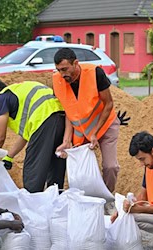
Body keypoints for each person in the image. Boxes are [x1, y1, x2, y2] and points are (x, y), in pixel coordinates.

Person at [53, 48, 120, 213]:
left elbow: (108, 104)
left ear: (76, 63)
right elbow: (68, 111)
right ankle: (84, 202)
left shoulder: (95, 73)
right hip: (81, 130)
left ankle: (106, 199)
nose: (62, 74)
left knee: (110, 166)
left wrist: (95, 134)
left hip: (105, 124)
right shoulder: (57, 81)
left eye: (65, 69)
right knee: (80, 170)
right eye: (58, 70)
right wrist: (66, 140)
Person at [0, 80, 66, 193]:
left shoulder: (2, 97)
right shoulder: (20, 94)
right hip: (61, 117)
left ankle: (31, 202)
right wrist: (9, 157)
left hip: (44, 119)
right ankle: (56, 198)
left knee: (32, 168)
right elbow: (26, 136)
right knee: (55, 164)